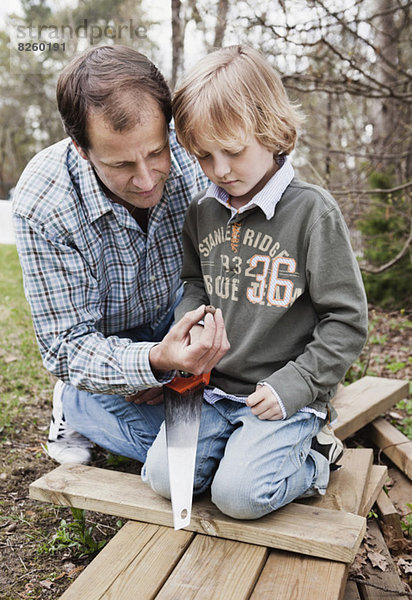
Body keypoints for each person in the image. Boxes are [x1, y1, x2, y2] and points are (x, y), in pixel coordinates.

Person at [142, 45, 368, 519]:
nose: (220, 170)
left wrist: (298, 385)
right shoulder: (203, 212)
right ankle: (239, 453)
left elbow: (346, 321)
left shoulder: (312, 213)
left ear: (270, 129)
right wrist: (192, 320)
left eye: (233, 150)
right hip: (214, 390)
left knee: (239, 498)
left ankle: (314, 459)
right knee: (164, 479)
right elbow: (194, 283)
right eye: (204, 155)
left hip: (282, 396)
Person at [12, 45, 229, 466]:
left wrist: (191, 359)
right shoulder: (43, 204)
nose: (147, 179)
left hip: (177, 316)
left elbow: (229, 271)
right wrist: (151, 361)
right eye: (121, 163)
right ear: (80, 148)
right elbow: (66, 346)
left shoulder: (196, 157)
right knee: (200, 463)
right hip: (100, 342)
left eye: (155, 151)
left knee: (224, 442)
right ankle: (75, 402)